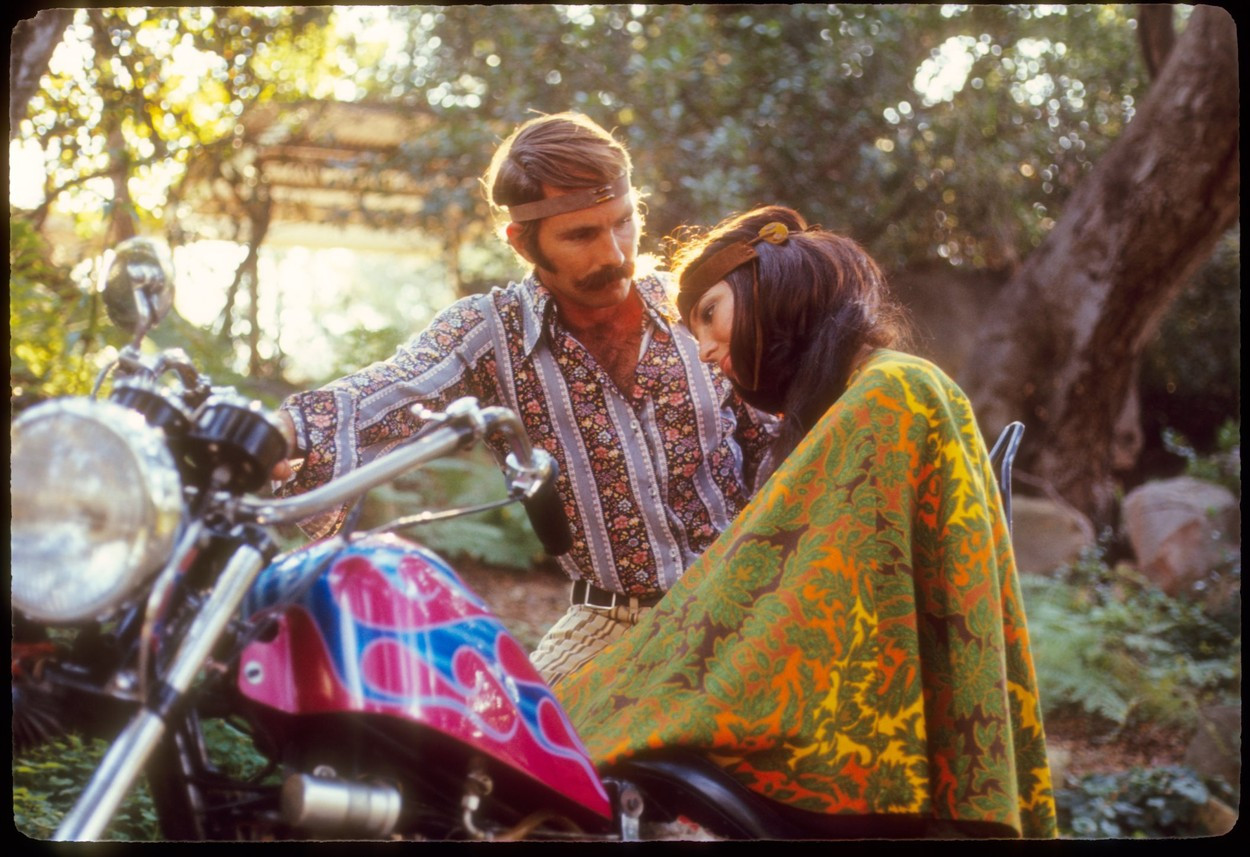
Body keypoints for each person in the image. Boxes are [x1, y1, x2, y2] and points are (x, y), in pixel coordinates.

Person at [555, 206, 1058, 838]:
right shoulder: (864, 393)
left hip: (858, 749)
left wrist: (676, 683)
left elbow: (807, 594)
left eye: (709, 314)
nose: (704, 350)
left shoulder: (891, 391)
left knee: (568, 738)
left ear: (768, 286)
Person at [270, 113, 775, 687]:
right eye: (581, 236)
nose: (614, 254)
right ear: (522, 241)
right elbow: (394, 385)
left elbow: (785, 430)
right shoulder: (492, 332)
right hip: (611, 624)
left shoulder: (695, 305)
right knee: (520, 740)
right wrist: (280, 432)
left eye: (623, 222)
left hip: (746, 598)